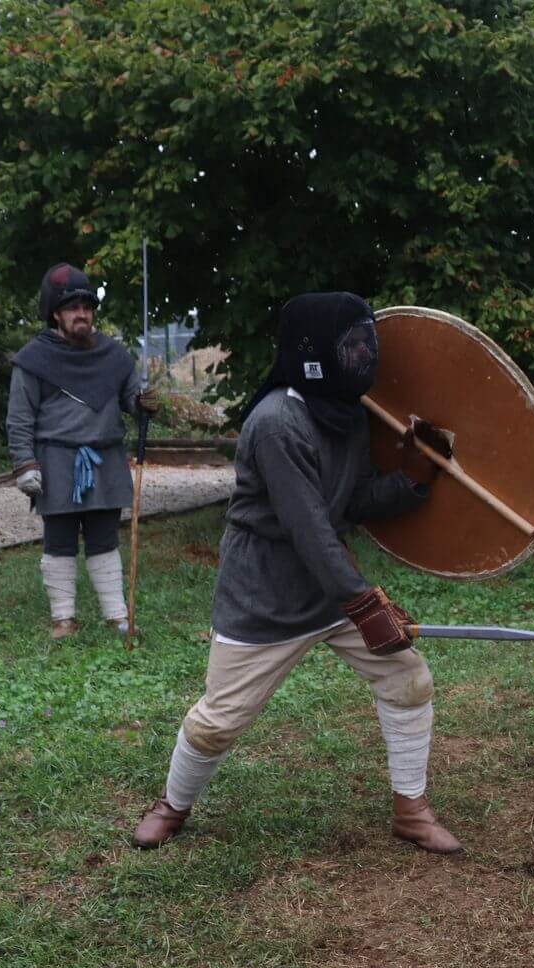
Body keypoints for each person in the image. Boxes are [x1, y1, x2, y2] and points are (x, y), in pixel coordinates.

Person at [131, 292, 462, 855]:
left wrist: (412, 477)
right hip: (264, 597)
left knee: (408, 679)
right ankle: (172, 805)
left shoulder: (348, 412)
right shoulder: (276, 422)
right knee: (219, 721)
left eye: (367, 342)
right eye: (351, 344)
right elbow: (308, 527)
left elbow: (350, 502)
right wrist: (366, 604)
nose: (364, 355)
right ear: (313, 352)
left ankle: (412, 811)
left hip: (330, 594)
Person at [6, 263, 159, 639]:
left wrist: (142, 403)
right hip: (57, 461)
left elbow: (130, 400)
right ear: (55, 314)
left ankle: (117, 616)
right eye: (72, 308)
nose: (82, 314)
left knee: (104, 539)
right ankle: (63, 620)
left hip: (106, 459)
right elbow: (20, 417)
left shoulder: (113, 355)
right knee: (59, 541)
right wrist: (24, 463)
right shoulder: (34, 359)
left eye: (87, 307)